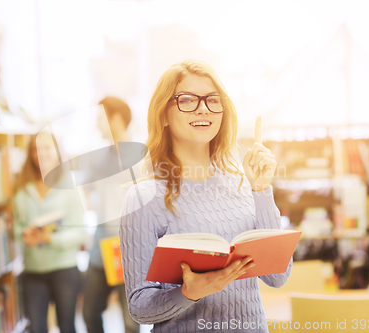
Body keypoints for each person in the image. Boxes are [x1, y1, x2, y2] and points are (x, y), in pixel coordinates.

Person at [119, 59, 292, 333]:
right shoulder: (143, 198)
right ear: (163, 115)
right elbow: (140, 308)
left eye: (213, 100)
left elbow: (278, 276)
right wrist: (188, 293)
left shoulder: (243, 184)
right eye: (187, 100)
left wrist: (261, 190)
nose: (203, 108)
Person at [13, 131, 87, 333]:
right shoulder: (22, 189)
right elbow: (16, 226)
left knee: (66, 326)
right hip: (33, 271)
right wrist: (23, 235)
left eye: (46, 148)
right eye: (36, 149)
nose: (41, 154)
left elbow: (80, 233)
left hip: (64, 268)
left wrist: (50, 239)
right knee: (36, 328)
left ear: (56, 151)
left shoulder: (69, 187)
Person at [82, 97, 140, 333]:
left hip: (129, 251)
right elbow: (86, 195)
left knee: (130, 321)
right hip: (100, 250)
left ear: (115, 119)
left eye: (100, 119)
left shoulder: (141, 157)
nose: (97, 125)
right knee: (89, 313)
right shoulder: (97, 158)